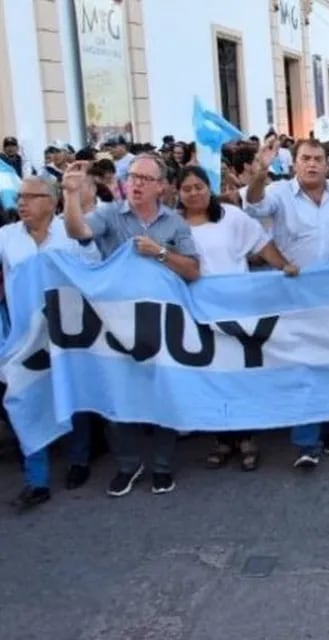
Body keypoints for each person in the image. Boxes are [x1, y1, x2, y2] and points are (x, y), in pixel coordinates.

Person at [61, 155, 201, 497]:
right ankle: (127, 465)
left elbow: (193, 270)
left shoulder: (175, 224)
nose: (135, 183)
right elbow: (78, 230)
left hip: (162, 324)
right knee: (117, 393)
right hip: (115, 324)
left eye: (144, 178)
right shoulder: (110, 215)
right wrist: (70, 195)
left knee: (164, 391)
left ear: (161, 187)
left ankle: (163, 466)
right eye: (132, 176)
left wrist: (160, 253)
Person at [244, 138, 329, 469]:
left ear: (327, 163)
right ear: (295, 163)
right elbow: (253, 206)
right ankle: (306, 442)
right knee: (303, 365)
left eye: (318, 159)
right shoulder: (279, 193)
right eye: (305, 159)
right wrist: (259, 173)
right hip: (294, 294)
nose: (311, 164)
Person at [175, 166, 298, 471]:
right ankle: (221, 439)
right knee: (212, 377)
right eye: (187, 188)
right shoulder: (173, 225)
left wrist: (284, 266)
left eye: (199, 186)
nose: (194, 193)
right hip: (197, 312)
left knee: (240, 374)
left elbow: (262, 245)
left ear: (209, 187)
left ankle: (247, 438)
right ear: (177, 193)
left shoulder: (231, 216)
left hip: (237, 309)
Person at [2, 176, 100, 512]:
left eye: (31, 196)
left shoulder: (68, 232)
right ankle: (37, 480)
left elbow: (92, 261)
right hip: (24, 337)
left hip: (67, 332)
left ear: (52, 201)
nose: (22, 203)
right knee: (25, 399)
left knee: (71, 396)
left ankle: (79, 461)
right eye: (19, 197)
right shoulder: (6, 238)